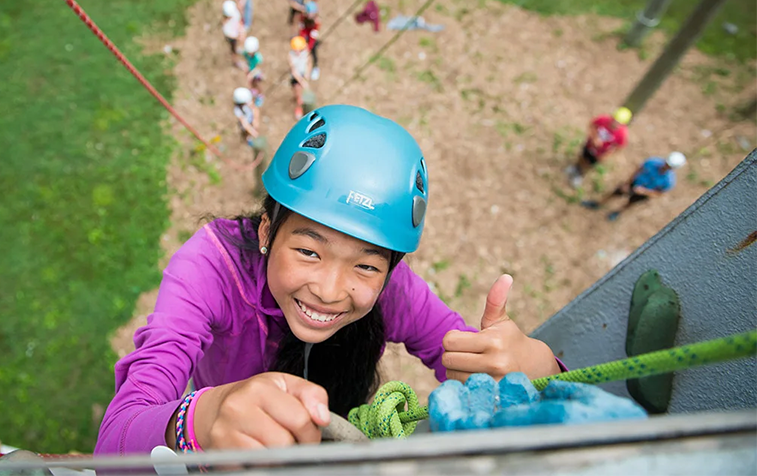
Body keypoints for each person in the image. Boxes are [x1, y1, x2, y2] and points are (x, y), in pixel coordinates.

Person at [95, 105, 563, 454]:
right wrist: (204, 417)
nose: (330, 290)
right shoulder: (209, 269)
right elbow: (117, 435)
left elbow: (464, 361)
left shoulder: (391, 291)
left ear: (389, 268)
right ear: (266, 230)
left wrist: (537, 374)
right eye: (308, 250)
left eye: (365, 264)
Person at [581, 151, 686, 221]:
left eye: (668, 166)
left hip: (643, 193)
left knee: (630, 203)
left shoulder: (668, 181)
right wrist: (628, 183)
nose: (665, 166)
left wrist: (644, 192)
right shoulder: (652, 162)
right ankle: (598, 203)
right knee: (616, 193)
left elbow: (659, 193)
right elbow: (638, 170)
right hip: (634, 183)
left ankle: (617, 212)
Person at [566, 107, 632, 188]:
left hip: (600, 153)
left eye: (618, 123)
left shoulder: (621, 134)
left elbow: (619, 147)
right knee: (583, 156)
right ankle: (575, 167)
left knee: (589, 164)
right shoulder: (603, 119)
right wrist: (594, 137)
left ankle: (580, 174)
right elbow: (592, 125)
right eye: (614, 120)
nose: (614, 124)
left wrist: (607, 155)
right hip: (589, 145)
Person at [288, 36, 312, 119]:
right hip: (296, 78)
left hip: (303, 75)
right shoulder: (291, 55)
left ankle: (304, 107)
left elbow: (309, 63)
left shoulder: (306, 53)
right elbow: (294, 71)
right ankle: (299, 109)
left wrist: (307, 74)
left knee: (304, 94)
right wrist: (302, 82)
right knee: (299, 96)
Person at [299, 1, 322, 80]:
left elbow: (313, 36)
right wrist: (303, 40)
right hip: (305, 36)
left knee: (313, 52)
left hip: (311, 38)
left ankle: (315, 67)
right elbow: (302, 29)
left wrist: (309, 47)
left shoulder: (316, 22)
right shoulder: (303, 17)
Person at [222, 0, 246, 69]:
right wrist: (238, 36)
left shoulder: (233, 11)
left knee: (237, 47)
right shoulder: (227, 26)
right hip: (233, 37)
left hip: (237, 32)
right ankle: (236, 62)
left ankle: (239, 51)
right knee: (233, 49)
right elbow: (229, 34)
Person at [242, 36, 265, 107]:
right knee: (251, 83)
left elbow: (259, 68)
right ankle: (254, 91)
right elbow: (246, 61)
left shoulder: (258, 57)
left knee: (257, 83)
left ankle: (260, 95)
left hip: (257, 73)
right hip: (250, 70)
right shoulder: (246, 53)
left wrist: (251, 74)